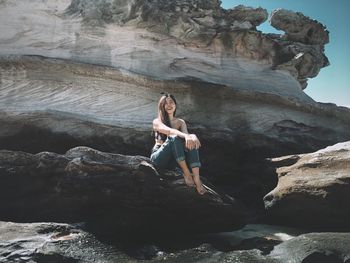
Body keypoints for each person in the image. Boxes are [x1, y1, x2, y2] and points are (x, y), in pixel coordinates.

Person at [150, 93, 207, 195]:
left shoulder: (180, 122)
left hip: (174, 160)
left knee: (191, 141)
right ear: (161, 106)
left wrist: (191, 136)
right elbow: (169, 131)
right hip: (158, 158)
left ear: (175, 104)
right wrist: (187, 136)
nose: (169, 105)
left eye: (171, 102)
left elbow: (187, 141)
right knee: (174, 137)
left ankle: (197, 178)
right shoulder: (157, 121)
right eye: (165, 103)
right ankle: (186, 173)